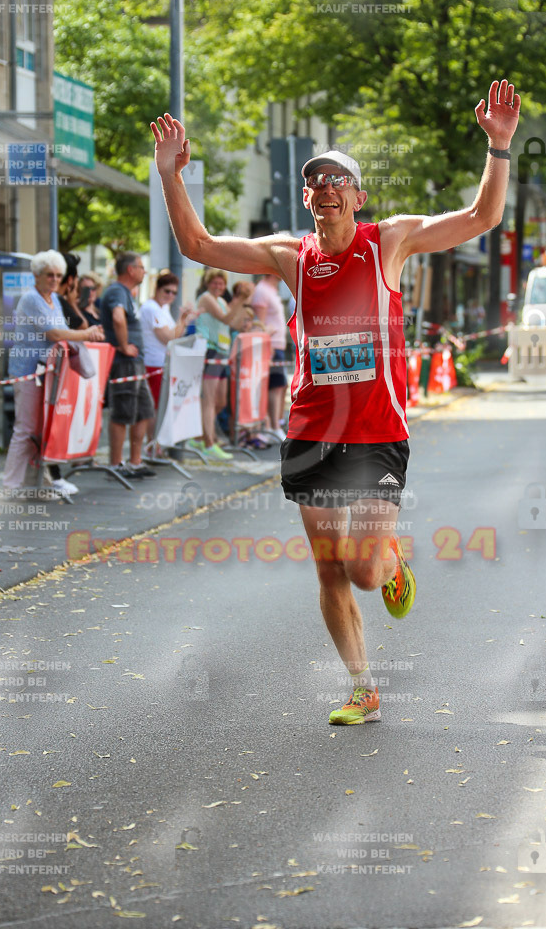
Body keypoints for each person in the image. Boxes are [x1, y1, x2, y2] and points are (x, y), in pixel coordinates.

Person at [152, 78, 520, 725]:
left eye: (337, 179)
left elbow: (480, 219)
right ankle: (361, 686)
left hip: (376, 430)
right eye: (314, 180)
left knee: (360, 571)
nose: (325, 186)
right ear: (305, 197)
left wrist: (497, 147)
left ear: (357, 196)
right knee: (328, 572)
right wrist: (168, 175)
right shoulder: (290, 256)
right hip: (313, 429)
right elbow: (199, 248)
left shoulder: (391, 240)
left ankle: (390, 562)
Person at [3, 250, 104, 495]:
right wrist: (87, 334)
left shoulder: (54, 299)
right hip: (28, 371)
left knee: (40, 430)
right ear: (36, 275)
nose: (55, 279)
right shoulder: (31, 299)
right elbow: (55, 333)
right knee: (25, 429)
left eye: (58, 275)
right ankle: (11, 485)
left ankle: (37, 480)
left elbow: (60, 331)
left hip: (45, 372)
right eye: (50, 274)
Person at [100, 252, 156, 479]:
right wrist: (123, 345)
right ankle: (116, 465)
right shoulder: (117, 291)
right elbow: (118, 318)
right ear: (130, 270)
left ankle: (135, 461)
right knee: (123, 412)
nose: (144, 271)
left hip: (135, 363)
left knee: (144, 410)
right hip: (124, 363)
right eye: (141, 267)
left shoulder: (125, 293)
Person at [190, 269, 252, 460]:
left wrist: (244, 300)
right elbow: (226, 318)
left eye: (221, 284)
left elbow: (235, 322)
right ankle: (208, 443)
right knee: (208, 401)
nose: (218, 287)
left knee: (220, 402)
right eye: (215, 283)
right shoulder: (206, 298)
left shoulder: (223, 301)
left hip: (221, 352)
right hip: (209, 350)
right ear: (208, 284)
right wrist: (240, 299)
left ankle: (200, 435)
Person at [140, 272, 195, 412]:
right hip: (154, 363)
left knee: (162, 408)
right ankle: (153, 435)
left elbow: (175, 334)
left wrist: (184, 321)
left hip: (163, 362)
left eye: (174, 293)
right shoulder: (151, 308)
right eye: (167, 291)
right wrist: (182, 320)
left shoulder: (163, 308)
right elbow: (169, 338)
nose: (170, 295)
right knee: (156, 408)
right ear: (157, 288)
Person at [251, 273, 289, 439]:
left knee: (279, 385)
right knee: (275, 386)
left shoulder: (271, 289)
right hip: (271, 345)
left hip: (278, 344)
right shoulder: (262, 290)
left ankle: (275, 423)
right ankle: (272, 426)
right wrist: (266, 343)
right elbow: (259, 323)